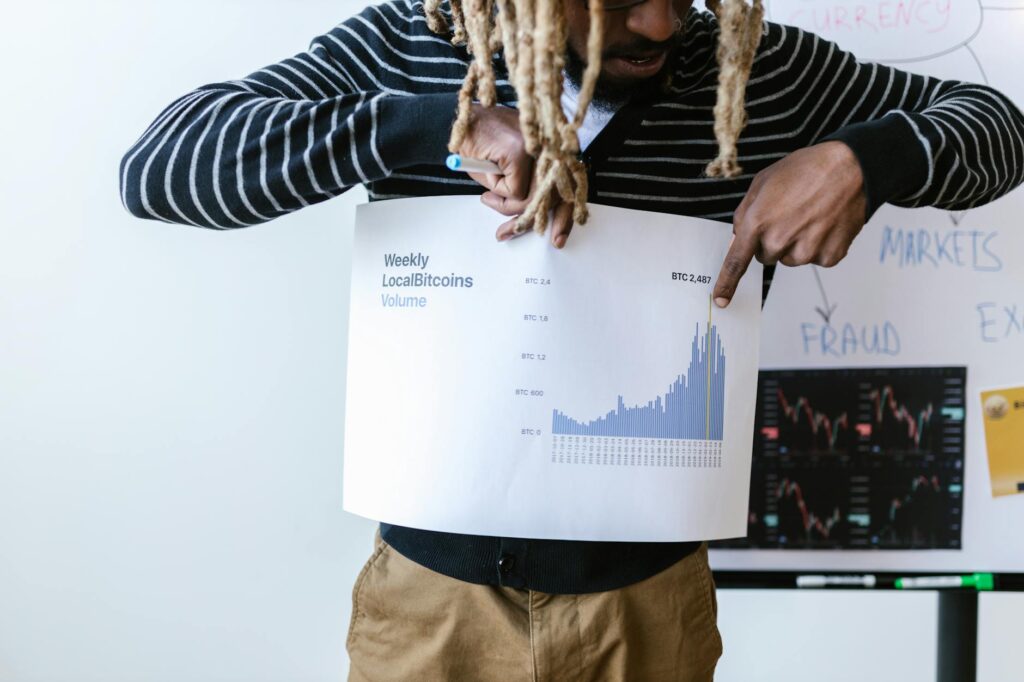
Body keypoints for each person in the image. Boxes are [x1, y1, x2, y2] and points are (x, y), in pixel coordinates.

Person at [119, 0, 1024, 678]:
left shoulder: (750, 71)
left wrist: (865, 160)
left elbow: (997, 125)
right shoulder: (423, 40)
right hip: (436, 608)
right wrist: (444, 123)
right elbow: (160, 166)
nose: (664, 20)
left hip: (651, 608)